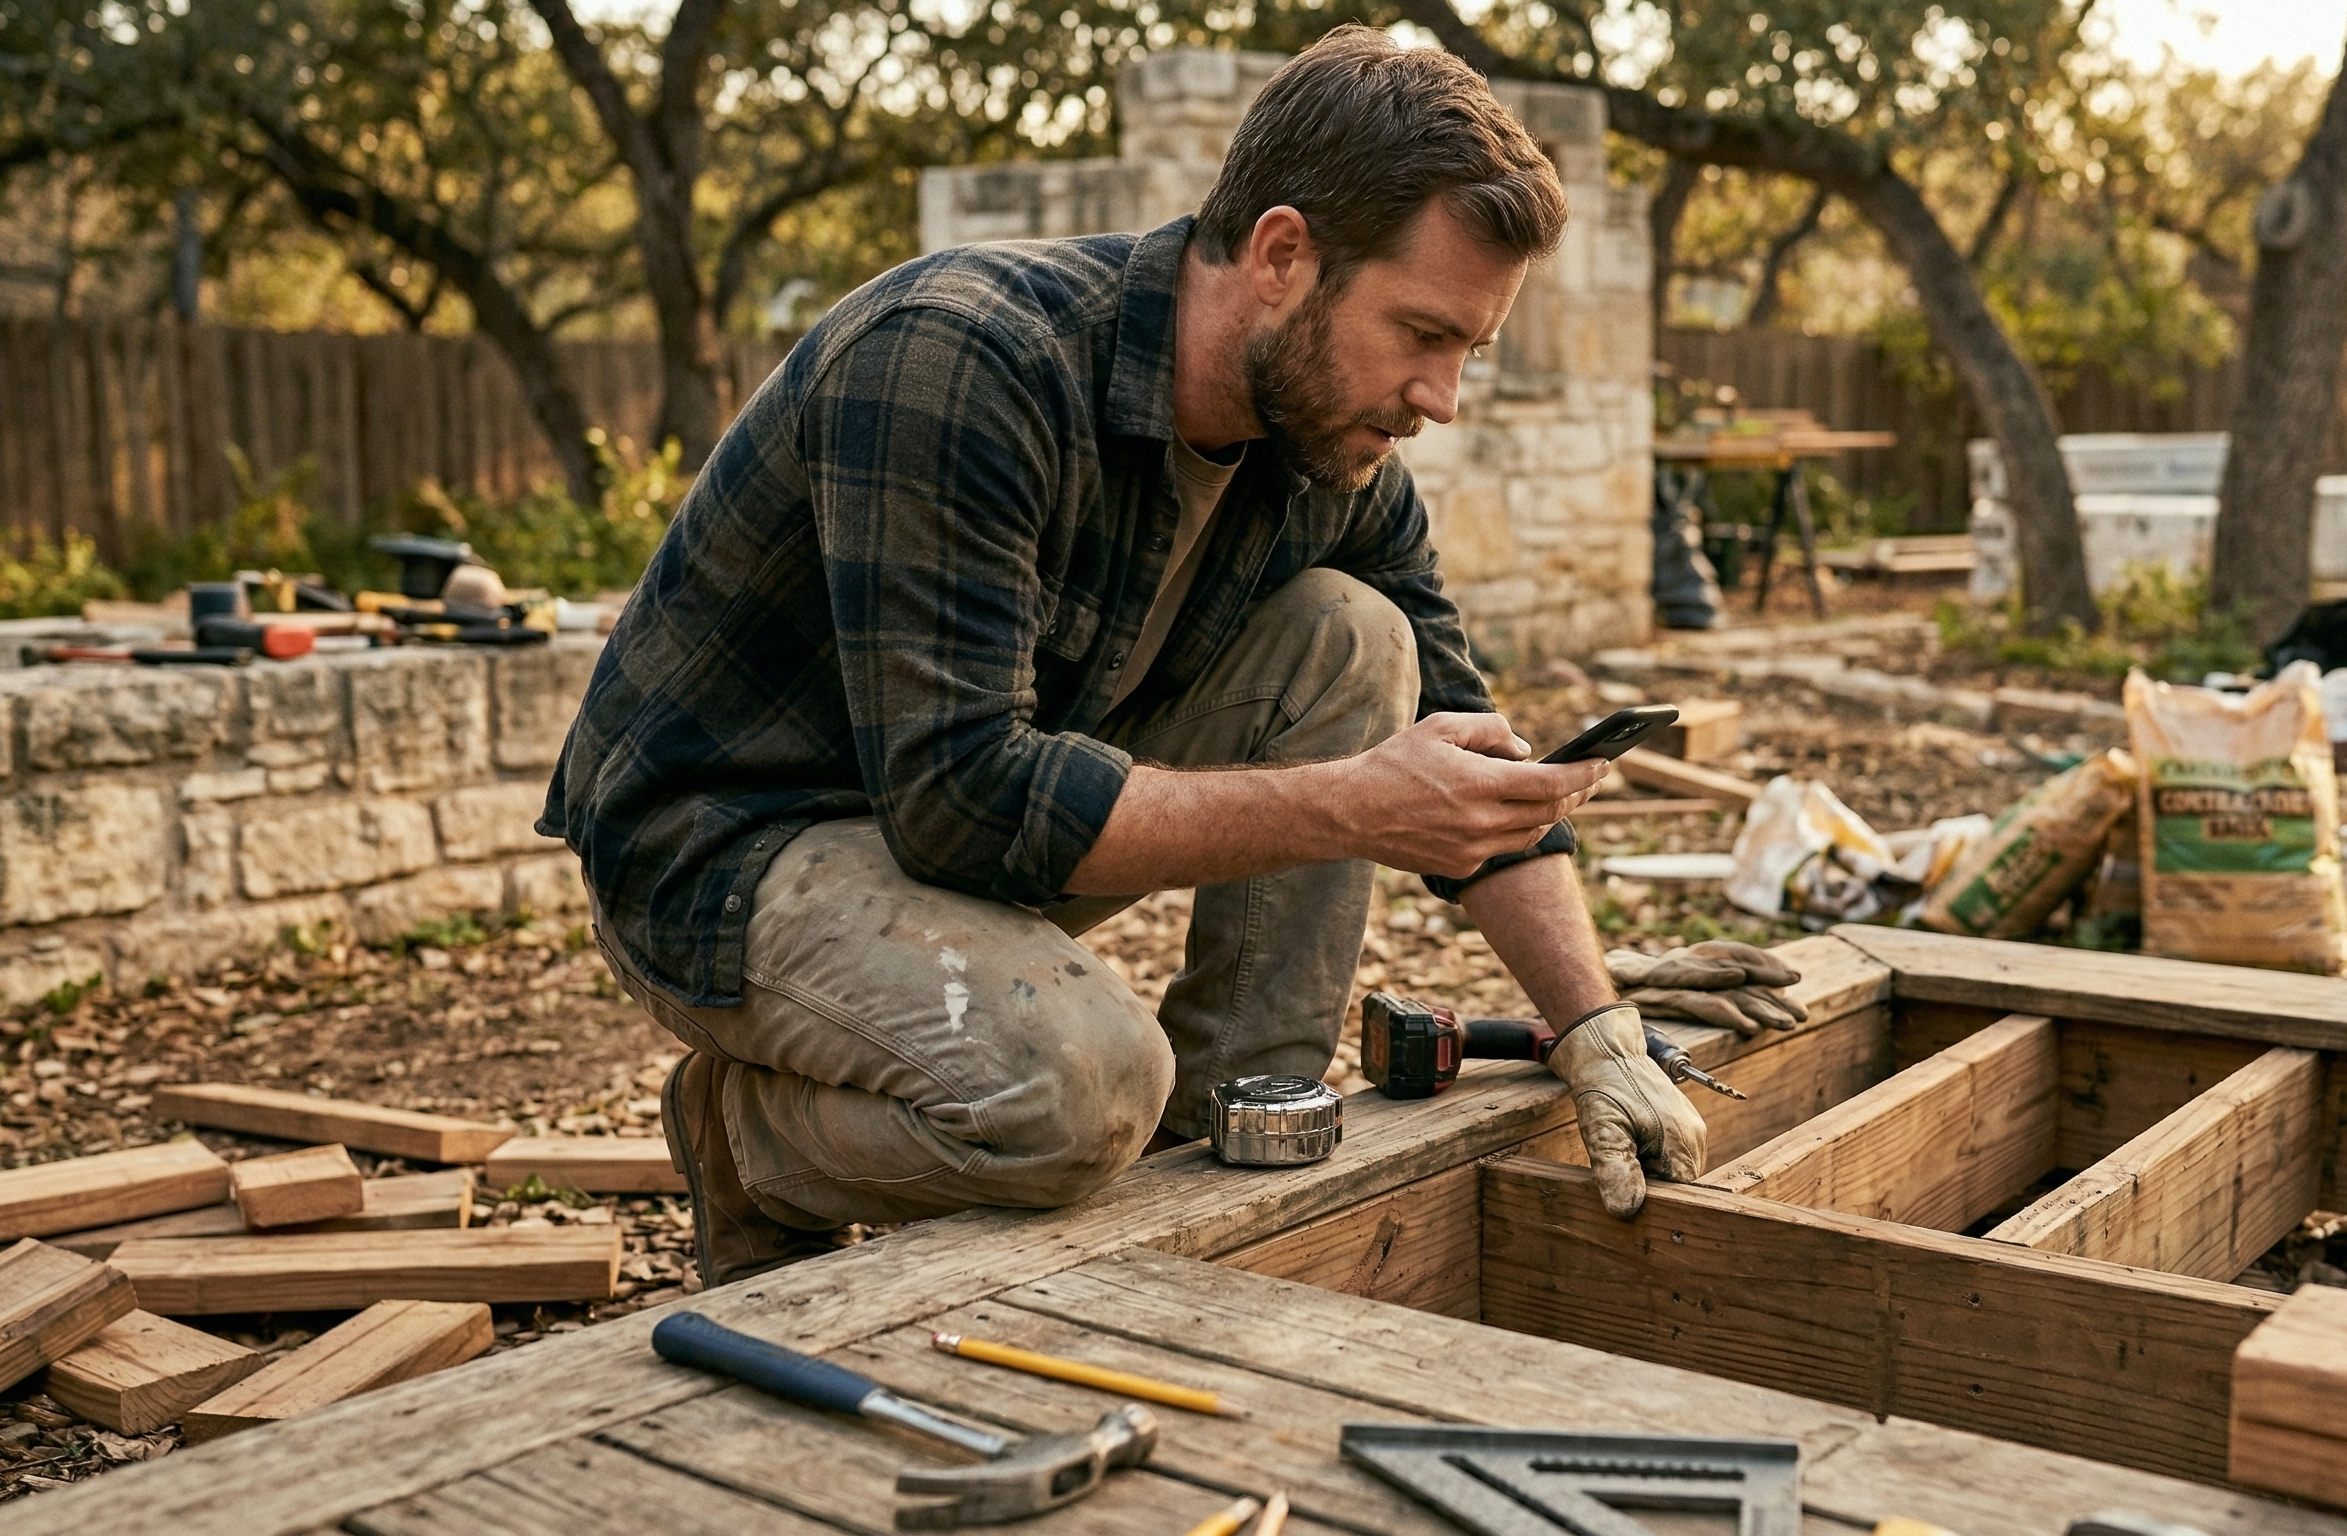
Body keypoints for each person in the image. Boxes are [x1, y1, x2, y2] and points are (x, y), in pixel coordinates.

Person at [544, 27, 1718, 1287]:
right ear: (1280, 256)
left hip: (966, 830)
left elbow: (1464, 737)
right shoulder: (963, 359)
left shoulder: (1328, 444)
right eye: (1420, 333)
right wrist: (1351, 805)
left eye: (1466, 353)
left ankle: (1221, 1148)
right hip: (729, 854)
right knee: (1074, 1092)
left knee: (1353, 635)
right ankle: (741, 1139)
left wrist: (1595, 1028)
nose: (1439, 397)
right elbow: (962, 803)